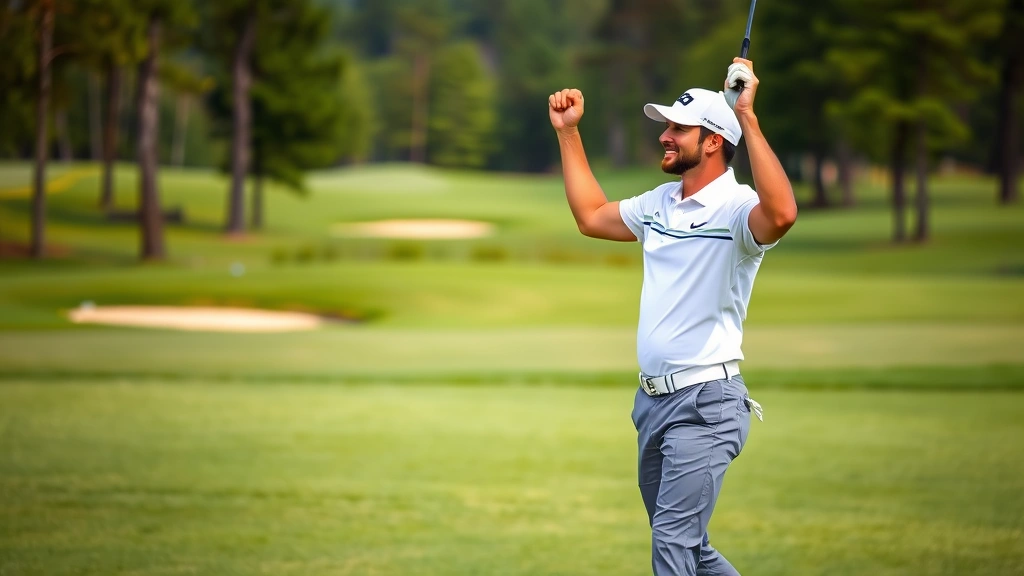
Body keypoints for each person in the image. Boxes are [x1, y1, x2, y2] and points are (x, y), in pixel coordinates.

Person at [547, 58, 797, 575]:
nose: (665, 135)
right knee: (689, 547)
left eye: (678, 128)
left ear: (711, 141)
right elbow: (592, 217)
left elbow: (781, 216)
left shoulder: (736, 208)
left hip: (707, 403)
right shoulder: (662, 203)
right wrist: (569, 134)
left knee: (673, 545)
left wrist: (746, 116)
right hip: (653, 403)